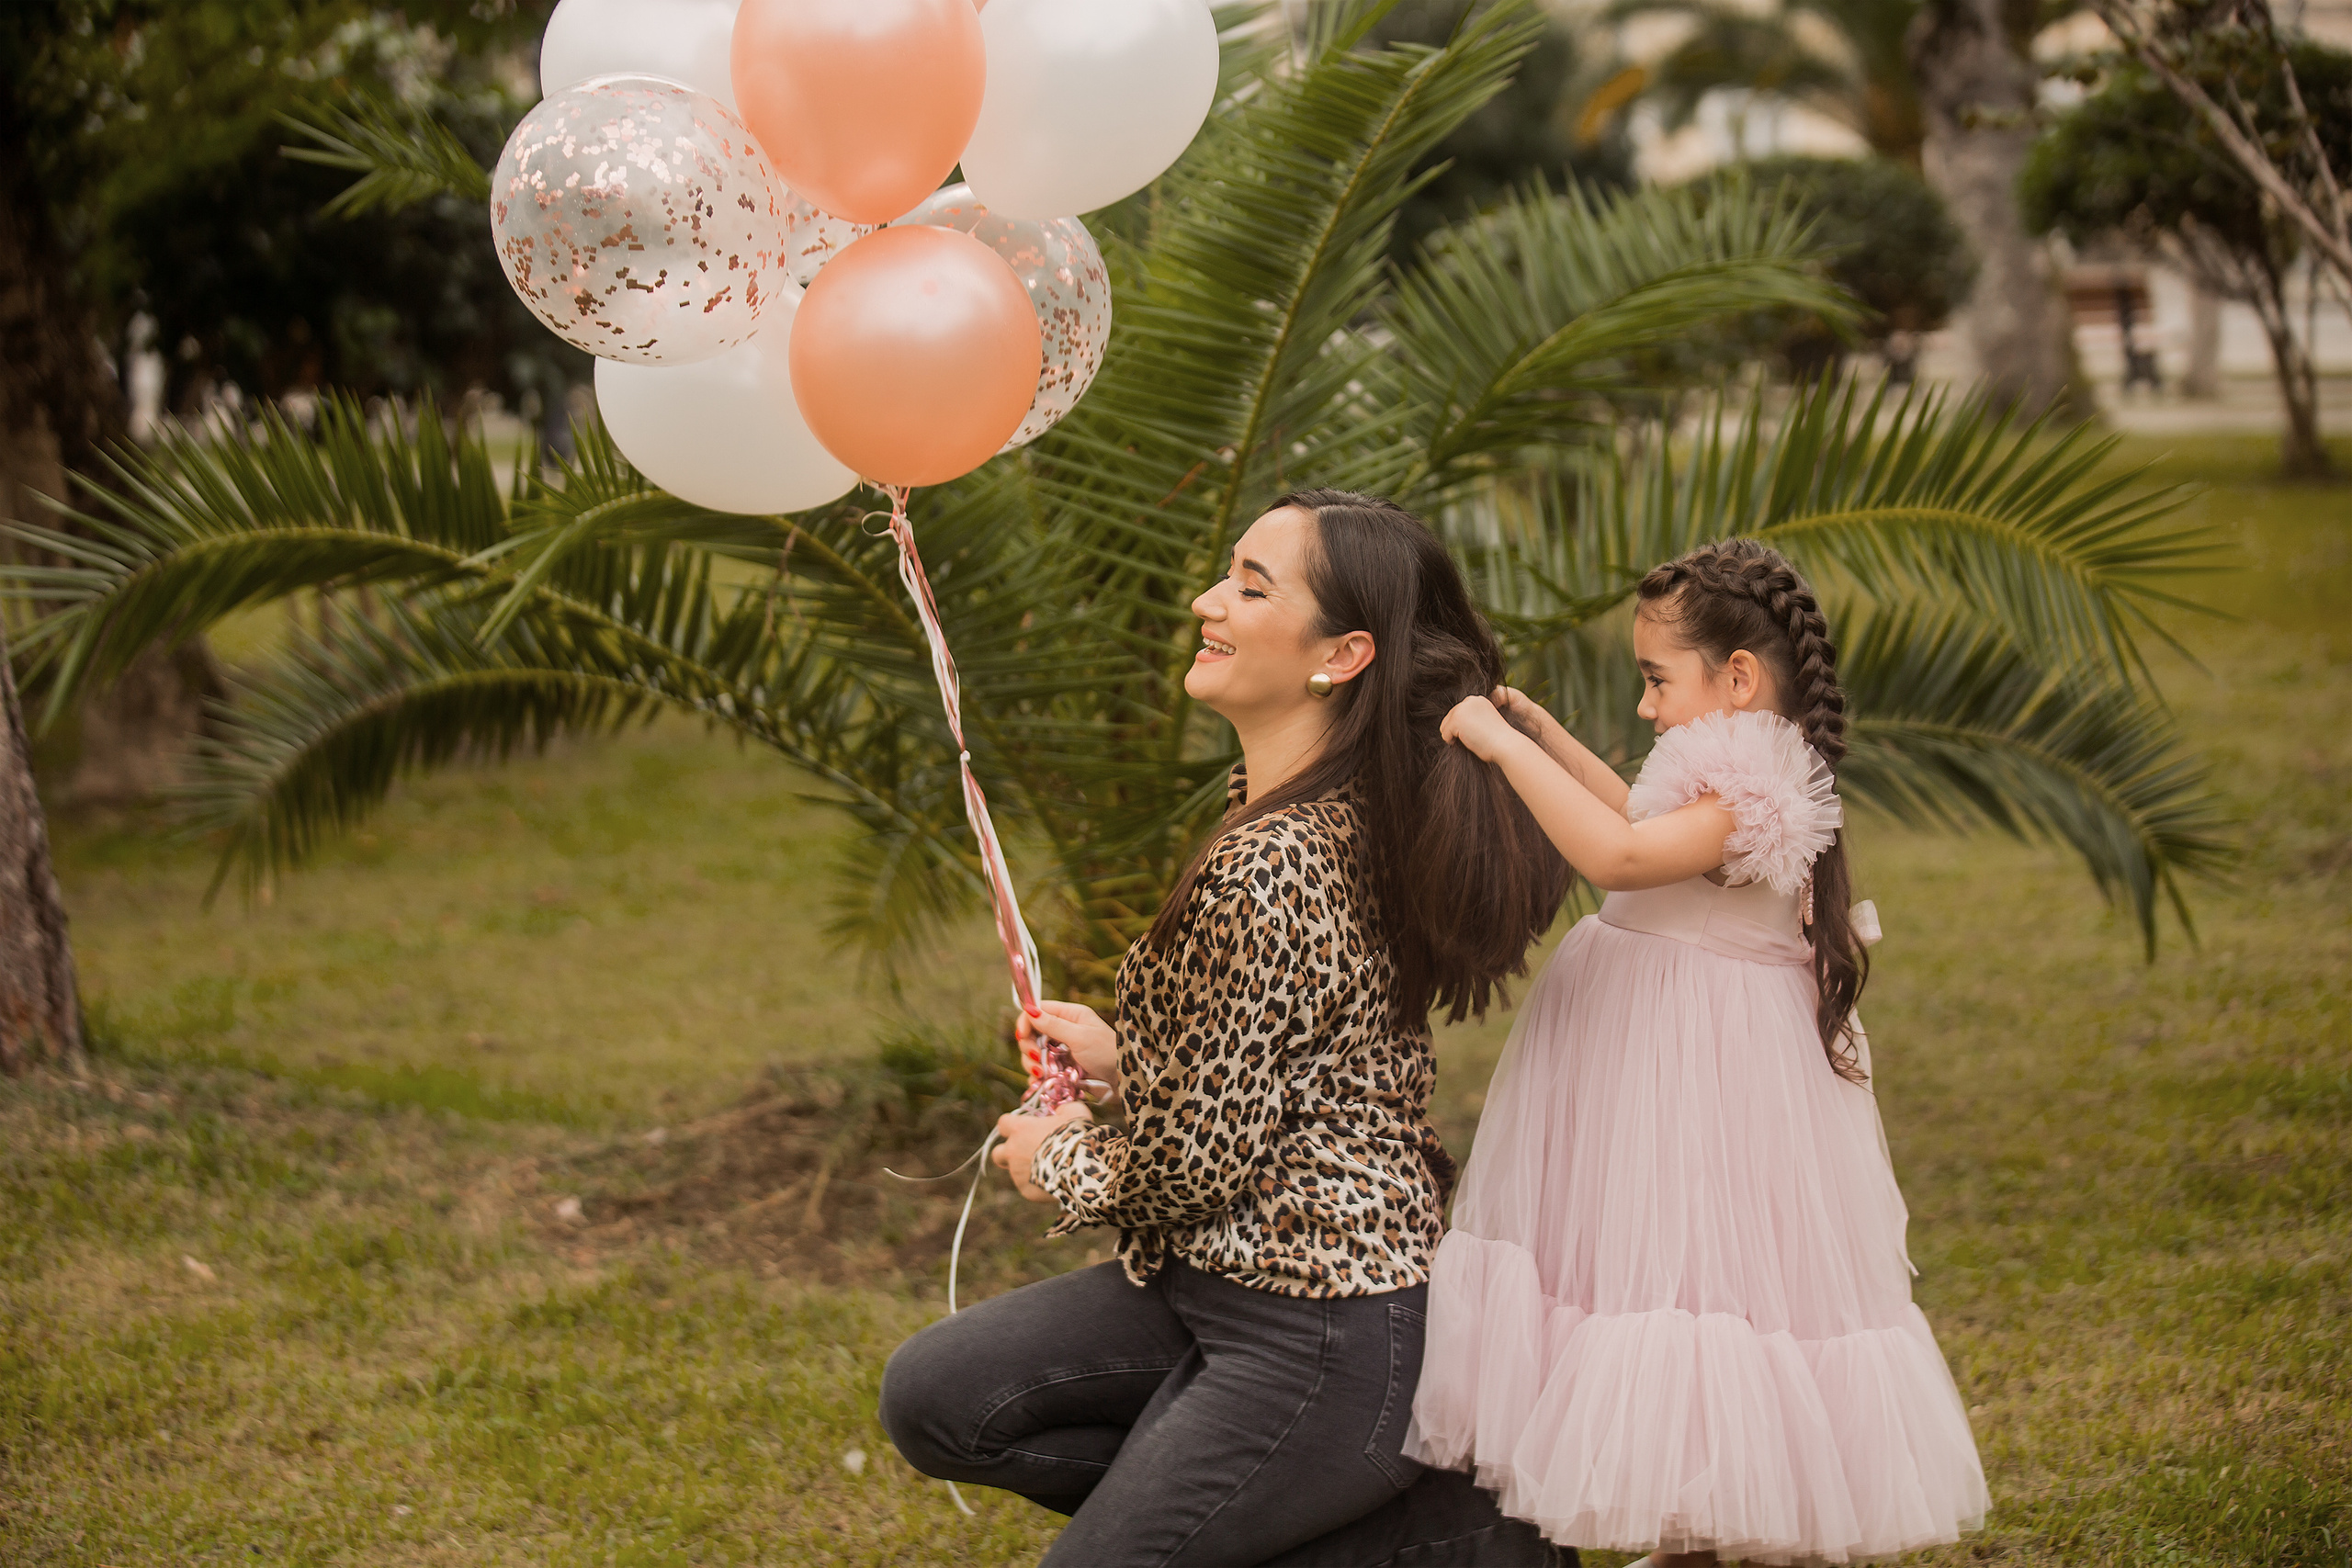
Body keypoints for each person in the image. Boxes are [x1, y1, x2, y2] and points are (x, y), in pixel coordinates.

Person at [879, 491, 1575, 1566]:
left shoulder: (1271, 860)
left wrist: (1054, 1157)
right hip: (1214, 1277)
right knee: (939, 1398)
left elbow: (1188, 1171)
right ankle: (1302, 1512)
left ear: (1340, 656)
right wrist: (1136, 1060)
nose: (1209, 602)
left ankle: (1457, 1533)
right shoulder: (1321, 807)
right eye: (1226, 573)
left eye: (1252, 587)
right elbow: (1293, 1054)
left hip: (1324, 1323)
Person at [1412, 540, 1989, 1566]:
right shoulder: (1723, 763)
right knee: (1637, 1274)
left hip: (1701, 1069)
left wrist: (1503, 754)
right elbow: (1636, 821)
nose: (1643, 709)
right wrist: (1542, 732)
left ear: (1737, 678)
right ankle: (1690, 1538)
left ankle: (1719, 1521)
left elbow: (1617, 856)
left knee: (1694, 1286)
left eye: (1654, 681)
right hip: (1648, 1050)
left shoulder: (1760, 790)